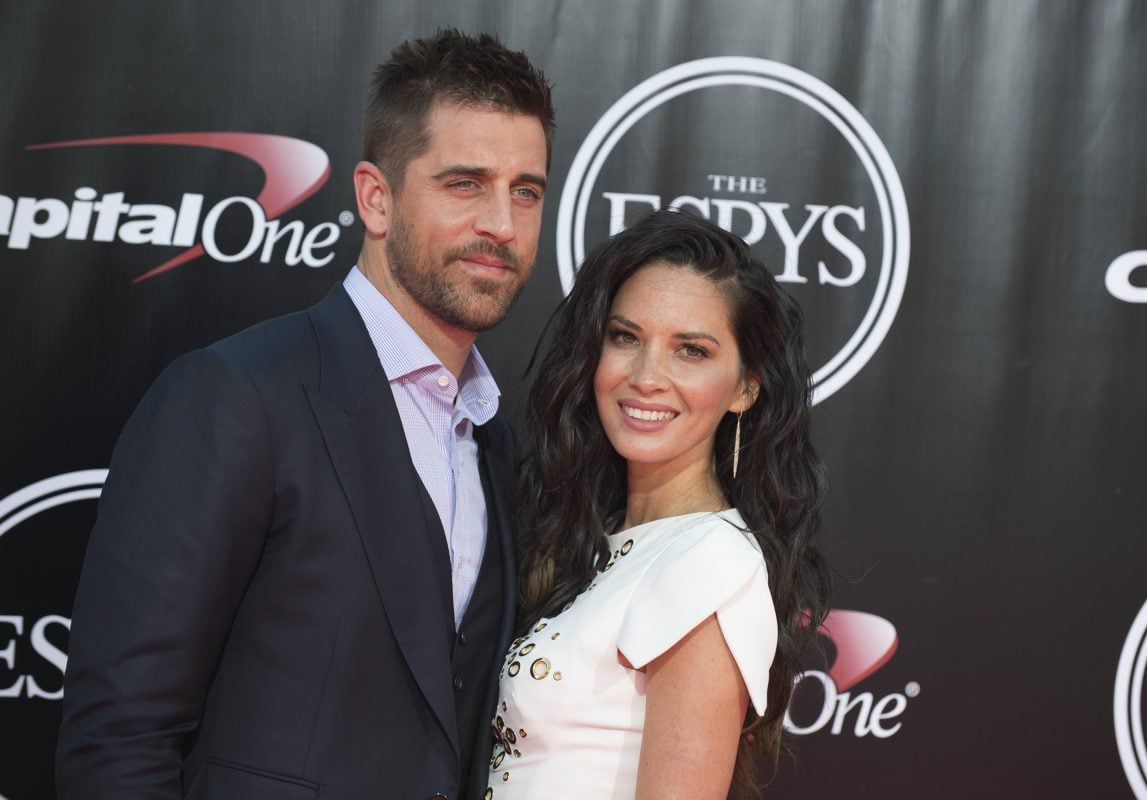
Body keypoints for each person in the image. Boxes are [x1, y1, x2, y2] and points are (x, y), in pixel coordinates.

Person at [56, 29, 554, 800]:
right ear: (375, 198)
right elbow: (119, 738)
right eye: (465, 183)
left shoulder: (494, 437)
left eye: (526, 190)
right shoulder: (235, 397)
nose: (502, 223)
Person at [487, 209, 832, 799]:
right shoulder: (603, 537)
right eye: (626, 337)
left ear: (746, 386)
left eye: (690, 351)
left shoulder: (710, 564)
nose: (647, 376)